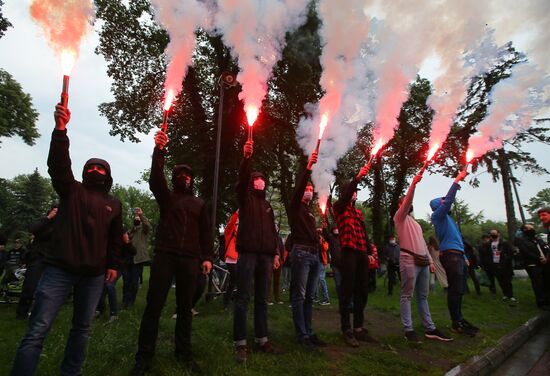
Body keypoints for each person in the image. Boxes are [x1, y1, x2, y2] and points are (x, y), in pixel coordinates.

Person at [11, 103, 122, 376]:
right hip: (59, 270)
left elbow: (114, 238)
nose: (96, 171)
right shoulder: (71, 191)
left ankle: (70, 373)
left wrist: (113, 264)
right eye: (92, 168)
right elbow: (59, 165)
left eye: (101, 169)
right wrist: (61, 130)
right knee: (38, 329)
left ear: (108, 176)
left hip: (94, 275)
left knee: (82, 329)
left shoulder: (114, 204)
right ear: (85, 173)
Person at [132, 129, 213, 375]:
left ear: (193, 180)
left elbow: (206, 233)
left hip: (189, 259)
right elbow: (156, 179)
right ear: (175, 177)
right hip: (165, 255)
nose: (184, 177)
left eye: (188, 175)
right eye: (180, 174)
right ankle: (144, 356)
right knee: (153, 306)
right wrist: (159, 150)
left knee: (185, 308)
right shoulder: (167, 198)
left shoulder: (199, 204)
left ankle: (184, 353)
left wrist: (207, 257)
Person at [233, 140, 281, 363]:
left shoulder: (268, 206)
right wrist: (246, 159)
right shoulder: (246, 199)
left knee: (262, 299)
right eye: (256, 178)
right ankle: (240, 343)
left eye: (262, 179)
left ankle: (262, 339)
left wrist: (276, 253)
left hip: (266, 256)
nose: (260, 181)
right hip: (248, 254)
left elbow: (273, 232)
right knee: (243, 297)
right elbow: (241, 182)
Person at [395, 174, 452, 343]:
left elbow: (422, 243)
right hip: (409, 260)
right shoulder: (400, 218)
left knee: (423, 296)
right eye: (405, 201)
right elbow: (406, 202)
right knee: (407, 295)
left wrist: (431, 261)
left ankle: (430, 328)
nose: (408, 203)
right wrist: (413, 184)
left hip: (423, 261)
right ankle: (409, 330)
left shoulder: (417, 224)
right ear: (401, 205)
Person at [430, 169, 479, 337]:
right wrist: (456, 181)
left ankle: (459, 319)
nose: (445, 202)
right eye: (442, 201)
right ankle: (455, 322)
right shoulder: (438, 216)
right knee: (455, 290)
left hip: (457, 256)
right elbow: (448, 200)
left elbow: (458, 238)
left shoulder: (448, 220)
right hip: (450, 256)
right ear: (438, 205)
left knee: (459, 290)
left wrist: (464, 257)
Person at [333, 164, 376, 347]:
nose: (355, 194)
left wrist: (369, 252)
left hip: (361, 254)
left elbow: (364, 234)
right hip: (348, 253)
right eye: (352, 191)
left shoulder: (358, 213)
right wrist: (357, 178)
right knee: (347, 291)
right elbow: (344, 198)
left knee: (362, 290)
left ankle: (358, 327)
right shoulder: (339, 208)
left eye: (356, 191)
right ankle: (346, 329)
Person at [16, 205, 58, 320]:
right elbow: (32, 228)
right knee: (30, 286)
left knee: (49, 290)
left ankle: (44, 314)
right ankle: (22, 313)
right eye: (55, 211)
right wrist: (48, 217)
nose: (57, 213)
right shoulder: (43, 222)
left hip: (53, 260)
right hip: (37, 258)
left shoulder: (61, 225)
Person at [97, 227, 136, 322]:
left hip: (118, 267)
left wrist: (127, 241)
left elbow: (134, 252)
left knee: (109, 285)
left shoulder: (122, 235)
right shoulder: (107, 236)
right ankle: (99, 310)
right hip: (106, 266)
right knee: (101, 288)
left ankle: (114, 314)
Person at [515, 224, 550, 310]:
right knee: (538, 283)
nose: (532, 230)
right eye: (529, 228)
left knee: (546, 282)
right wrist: (539, 259)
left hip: (544, 263)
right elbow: (526, 252)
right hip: (532, 264)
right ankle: (541, 302)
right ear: (524, 230)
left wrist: (546, 257)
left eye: (532, 228)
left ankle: (547, 300)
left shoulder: (537, 238)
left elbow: (546, 247)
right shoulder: (521, 240)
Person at [479, 229, 516, 304]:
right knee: (500, 280)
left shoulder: (504, 243)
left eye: (494, 233)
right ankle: (505, 294)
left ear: (498, 234)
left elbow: (511, 252)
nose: (493, 235)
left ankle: (510, 295)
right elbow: (485, 253)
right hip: (494, 264)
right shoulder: (488, 244)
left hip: (504, 264)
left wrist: (507, 259)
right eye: (491, 233)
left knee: (507, 281)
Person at [127, 207, 151, 307]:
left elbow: (147, 225)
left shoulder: (143, 230)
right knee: (127, 281)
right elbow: (126, 239)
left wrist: (141, 214)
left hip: (138, 259)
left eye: (138, 218)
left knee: (134, 281)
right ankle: (126, 300)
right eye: (135, 217)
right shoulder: (131, 230)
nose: (137, 218)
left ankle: (131, 302)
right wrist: (133, 228)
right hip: (128, 258)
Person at [223, 210, 239, 310]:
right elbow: (231, 223)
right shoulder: (229, 232)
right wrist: (236, 214)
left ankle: (230, 300)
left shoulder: (240, 235)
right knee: (235, 279)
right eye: (237, 224)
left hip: (238, 259)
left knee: (234, 281)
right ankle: (226, 302)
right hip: (231, 259)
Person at [268, 224, 284, 305]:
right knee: (269, 281)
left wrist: (281, 260)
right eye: (274, 227)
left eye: (276, 227)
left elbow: (282, 249)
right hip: (270, 261)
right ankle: (268, 299)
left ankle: (277, 299)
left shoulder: (279, 238)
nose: (275, 228)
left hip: (279, 262)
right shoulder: (268, 237)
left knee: (277, 281)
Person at [316, 228, 331, 306]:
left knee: (321, 279)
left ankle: (326, 298)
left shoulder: (324, 240)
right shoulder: (314, 238)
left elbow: (325, 248)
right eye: (318, 232)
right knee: (316, 279)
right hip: (314, 261)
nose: (319, 233)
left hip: (321, 262)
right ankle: (316, 296)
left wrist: (321, 240)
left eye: (320, 232)